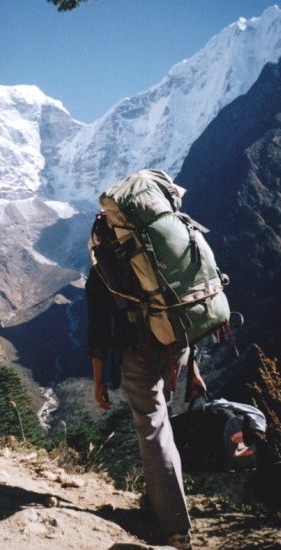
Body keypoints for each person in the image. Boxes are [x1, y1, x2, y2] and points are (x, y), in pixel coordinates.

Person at [86, 212, 206, 550]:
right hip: (176, 346)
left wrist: (98, 381)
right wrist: (194, 369)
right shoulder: (164, 254)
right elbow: (183, 304)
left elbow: (96, 332)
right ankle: (159, 500)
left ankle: (176, 528)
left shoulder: (102, 272)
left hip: (139, 351)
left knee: (152, 427)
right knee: (162, 420)